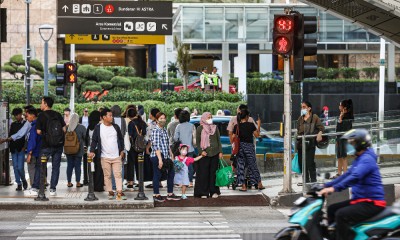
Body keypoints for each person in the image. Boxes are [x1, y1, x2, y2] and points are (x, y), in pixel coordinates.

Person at [318, 129, 386, 240]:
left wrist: (333, 189)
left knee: (341, 214)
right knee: (331, 209)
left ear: (360, 144)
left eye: (352, 143)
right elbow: (346, 175)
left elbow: (354, 177)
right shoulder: (359, 159)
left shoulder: (367, 159)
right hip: (361, 200)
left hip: (372, 203)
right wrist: (326, 186)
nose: (350, 146)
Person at [89, 108, 127, 200]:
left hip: (116, 156)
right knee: (107, 175)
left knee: (118, 174)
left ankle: (119, 192)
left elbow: (121, 139)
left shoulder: (116, 127)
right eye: (110, 116)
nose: (112, 117)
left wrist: (122, 151)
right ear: (104, 117)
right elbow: (94, 140)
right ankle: (110, 192)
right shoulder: (98, 127)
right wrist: (92, 151)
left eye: (112, 115)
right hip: (104, 156)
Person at [36, 97, 66, 196]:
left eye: (41, 102)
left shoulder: (41, 116)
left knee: (41, 166)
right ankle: (53, 189)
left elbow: (38, 131)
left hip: (46, 145)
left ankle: (39, 187)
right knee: (56, 167)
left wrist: (47, 134)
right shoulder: (57, 114)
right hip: (58, 145)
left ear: (45, 104)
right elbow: (64, 129)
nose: (40, 104)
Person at [150, 112, 180, 202]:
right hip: (157, 156)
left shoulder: (164, 130)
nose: (163, 120)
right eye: (161, 118)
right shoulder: (156, 130)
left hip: (166, 156)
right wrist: (160, 159)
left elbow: (167, 145)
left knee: (171, 173)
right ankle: (156, 194)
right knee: (157, 175)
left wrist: (171, 155)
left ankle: (170, 193)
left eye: (164, 118)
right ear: (156, 120)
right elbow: (156, 146)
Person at [233, 109, 265, 191]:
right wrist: (258, 125)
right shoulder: (251, 125)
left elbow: (233, 137)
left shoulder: (237, 126)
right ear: (247, 116)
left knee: (241, 166)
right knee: (253, 165)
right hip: (249, 147)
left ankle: (243, 186)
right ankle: (259, 183)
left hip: (240, 147)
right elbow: (257, 135)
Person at [194, 112, 222, 198]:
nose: (210, 119)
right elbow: (197, 142)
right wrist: (201, 151)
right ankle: (203, 192)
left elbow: (218, 140)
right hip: (204, 154)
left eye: (211, 117)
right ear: (203, 118)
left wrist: (220, 152)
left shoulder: (215, 127)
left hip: (215, 153)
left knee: (213, 173)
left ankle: (213, 191)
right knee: (203, 174)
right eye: (208, 117)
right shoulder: (199, 128)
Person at [296, 101, 324, 183]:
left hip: (310, 144)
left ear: (309, 108)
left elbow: (321, 127)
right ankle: (306, 182)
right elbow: (298, 131)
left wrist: (320, 133)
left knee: (310, 163)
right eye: (302, 107)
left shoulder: (314, 117)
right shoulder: (300, 119)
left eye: (304, 107)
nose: (302, 109)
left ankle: (313, 182)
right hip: (301, 145)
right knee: (302, 165)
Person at [174, 110, 197, 188]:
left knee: (180, 165)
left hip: (181, 149)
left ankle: (181, 181)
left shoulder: (178, 126)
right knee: (190, 166)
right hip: (190, 149)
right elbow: (194, 138)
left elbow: (175, 138)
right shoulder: (192, 126)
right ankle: (190, 181)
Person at [127, 107, 147, 189]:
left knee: (131, 164)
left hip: (133, 146)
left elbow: (130, 135)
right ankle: (140, 181)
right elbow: (145, 133)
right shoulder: (142, 122)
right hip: (141, 146)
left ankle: (131, 182)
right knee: (140, 163)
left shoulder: (131, 123)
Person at [334, 99, 354, 178]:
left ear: (344, 107)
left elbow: (343, 130)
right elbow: (337, 130)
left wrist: (341, 120)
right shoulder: (342, 115)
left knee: (343, 156)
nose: (339, 107)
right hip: (339, 139)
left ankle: (345, 174)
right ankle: (339, 173)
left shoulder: (348, 118)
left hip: (344, 139)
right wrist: (340, 119)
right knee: (339, 156)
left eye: (340, 105)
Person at [65, 113, 86, 188]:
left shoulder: (67, 127)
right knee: (77, 166)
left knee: (69, 166)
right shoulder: (81, 127)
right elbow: (85, 138)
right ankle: (78, 182)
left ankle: (69, 182)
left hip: (68, 149)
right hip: (78, 150)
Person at [9, 108, 27, 191]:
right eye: (15, 115)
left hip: (21, 149)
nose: (17, 117)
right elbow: (11, 136)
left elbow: (26, 137)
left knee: (20, 167)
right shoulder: (13, 124)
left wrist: (24, 147)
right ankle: (18, 183)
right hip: (13, 148)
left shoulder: (26, 124)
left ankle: (23, 180)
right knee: (15, 167)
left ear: (21, 114)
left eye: (18, 115)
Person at [85, 110, 104, 192]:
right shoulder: (99, 126)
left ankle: (91, 185)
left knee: (91, 169)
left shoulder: (89, 127)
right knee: (99, 169)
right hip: (98, 150)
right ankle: (99, 186)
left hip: (90, 150)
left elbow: (86, 140)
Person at [25, 108, 42, 196]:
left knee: (32, 169)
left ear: (32, 115)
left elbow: (32, 141)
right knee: (39, 169)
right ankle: (38, 186)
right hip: (41, 151)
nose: (26, 118)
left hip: (35, 152)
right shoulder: (41, 124)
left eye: (27, 116)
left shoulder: (34, 126)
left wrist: (29, 154)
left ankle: (34, 187)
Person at [111, 105, 127, 191]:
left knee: (113, 165)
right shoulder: (123, 120)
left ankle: (114, 185)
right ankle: (120, 184)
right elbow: (124, 132)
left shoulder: (111, 120)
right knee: (121, 165)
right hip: (122, 144)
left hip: (113, 145)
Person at [144, 108, 160, 188]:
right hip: (160, 147)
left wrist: (147, 147)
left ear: (152, 115)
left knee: (153, 165)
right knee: (159, 164)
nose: (149, 114)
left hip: (153, 148)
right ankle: (159, 182)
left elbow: (149, 138)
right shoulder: (160, 124)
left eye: (150, 113)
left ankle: (155, 182)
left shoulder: (151, 125)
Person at [79, 108, 90, 185]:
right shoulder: (81, 118)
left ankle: (86, 178)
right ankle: (85, 178)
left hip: (87, 136)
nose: (86, 112)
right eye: (85, 111)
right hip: (82, 136)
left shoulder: (89, 118)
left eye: (87, 111)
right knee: (85, 159)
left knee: (87, 159)